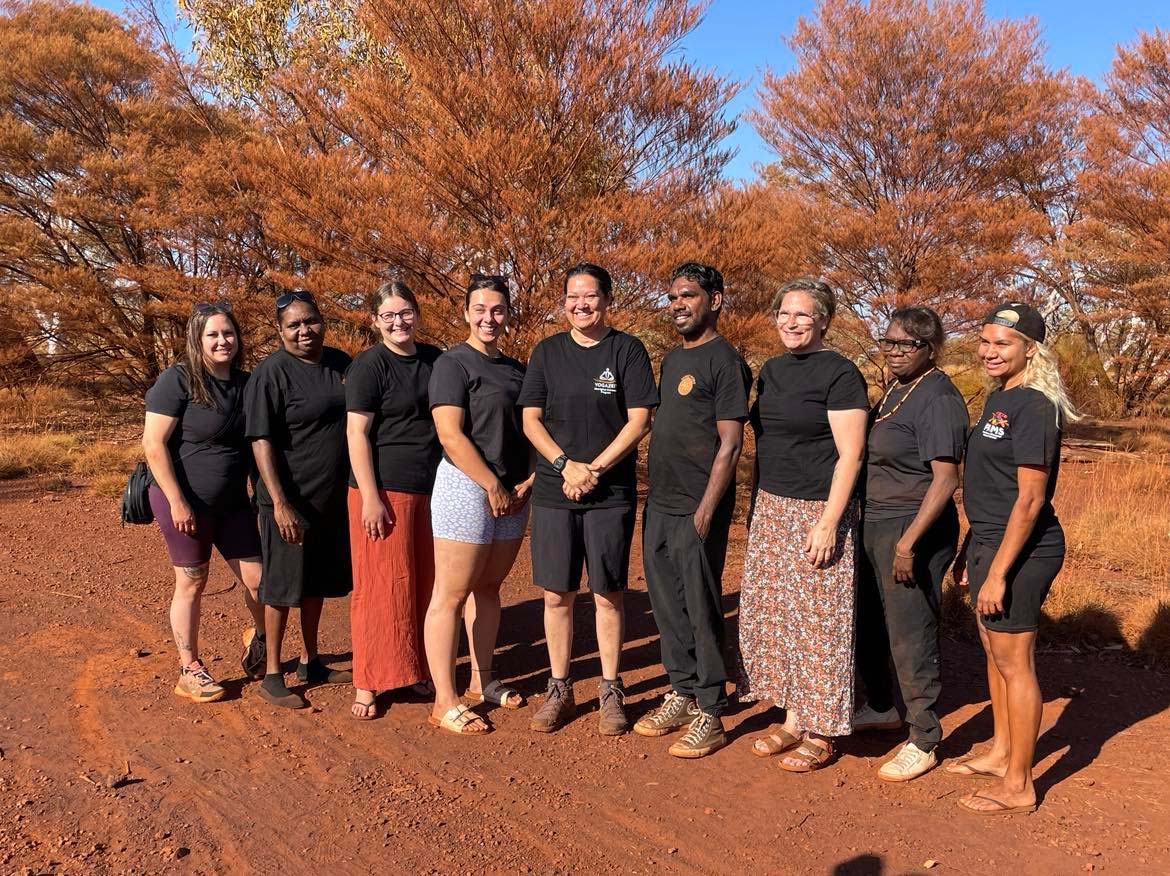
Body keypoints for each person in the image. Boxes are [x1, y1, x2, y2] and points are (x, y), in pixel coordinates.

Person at [736, 277, 869, 772]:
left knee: (819, 621)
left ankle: (821, 726)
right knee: (780, 616)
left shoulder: (840, 374)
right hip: (773, 504)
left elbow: (851, 454)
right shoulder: (770, 371)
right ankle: (793, 718)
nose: (790, 323)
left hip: (818, 508)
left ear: (823, 321)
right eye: (784, 315)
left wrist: (830, 520)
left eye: (802, 315)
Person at [520, 262, 658, 736]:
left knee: (608, 592)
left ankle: (610, 687)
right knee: (557, 594)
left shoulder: (627, 350)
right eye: (573, 297)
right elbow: (531, 420)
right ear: (564, 303)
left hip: (609, 492)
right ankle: (559, 687)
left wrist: (593, 469)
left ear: (607, 300)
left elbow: (639, 420)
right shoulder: (547, 352)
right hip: (555, 490)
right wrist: (566, 467)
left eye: (591, 296)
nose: (582, 304)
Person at [950, 302, 1077, 815]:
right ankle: (1003, 753)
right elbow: (990, 485)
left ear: (1031, 349)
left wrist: (999, 573)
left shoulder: (1036, 404)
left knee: (1015, 662)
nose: (989, 351)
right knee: (993, 651)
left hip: (1023, 551)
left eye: (1003, 343)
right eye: (985, 341)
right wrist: (970, 547)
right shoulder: (1001, 397)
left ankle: (1020, 784)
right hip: (988, 541)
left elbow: (1029, 499)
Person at [634, 263, 751, 758]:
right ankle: (681, 690)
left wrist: (706, 509)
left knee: (701, 606)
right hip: (660, 502)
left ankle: (710, 706)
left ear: (715, 301)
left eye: (689, 296)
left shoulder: (725, 361)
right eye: (673, 297)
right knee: (666, 603)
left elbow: (731, 444)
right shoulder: (674, 360)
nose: (678, 305)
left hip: (695, 508)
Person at [852, 307, 968, 781]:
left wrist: (908, 544)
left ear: (930, 348)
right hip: (877, 523)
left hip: (913, 527)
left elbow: (946, 480)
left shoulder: (939, 398)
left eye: (907, 344)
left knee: (910, 631)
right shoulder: (897, 391)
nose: (895, 351)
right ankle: (881, 707)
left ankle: (923, 738)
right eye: (890, 342)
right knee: (871, 623)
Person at [424, 275, 535, 735]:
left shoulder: (517, 369)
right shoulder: (452, 364)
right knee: (449, 595)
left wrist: (527, 479)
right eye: (480, 309)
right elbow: (450, 433)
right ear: (466, 313)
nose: (489, 318)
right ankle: (444, 699)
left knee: (488, 589)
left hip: (512, 491)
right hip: (466, 486)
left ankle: (481, 681)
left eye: (497, 310)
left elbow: (528, 426)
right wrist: (491, 483)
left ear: (507, 314)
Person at [142, 302, 266, 703]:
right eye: (212, 335)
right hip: (183, 500)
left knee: (259, 580)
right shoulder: (177, 381)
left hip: (233, 503)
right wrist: (178, 502)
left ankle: (260, 637)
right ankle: (189, 668)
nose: (222, 341)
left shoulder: (248, 383)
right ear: (197, 340)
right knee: (192, 581)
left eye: (228, 333)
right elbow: (153, 444)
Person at [245, 291, 353, 709]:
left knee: (316, 583)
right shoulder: (271, 374)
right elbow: (260, 441)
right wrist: (279, 502)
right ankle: (273, 673)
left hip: (329, 497)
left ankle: (312, 660)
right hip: (287, 502)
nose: (304, 331)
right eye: (294, 325)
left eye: (310, 321)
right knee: (282, 587)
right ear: (280, 330)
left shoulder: (342, 364)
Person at [345, 280, 443, 720]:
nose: (399, 322)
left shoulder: (435, 360)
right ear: (375, 321)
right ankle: (369, 679)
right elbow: (357, 433)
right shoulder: (370, 366)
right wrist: (370, 496)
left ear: (417, 315)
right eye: (389, 315)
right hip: (383, 490)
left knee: (423, 583)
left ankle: (417, 668)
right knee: (380, 586)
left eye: (405, 313)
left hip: (432, 486)